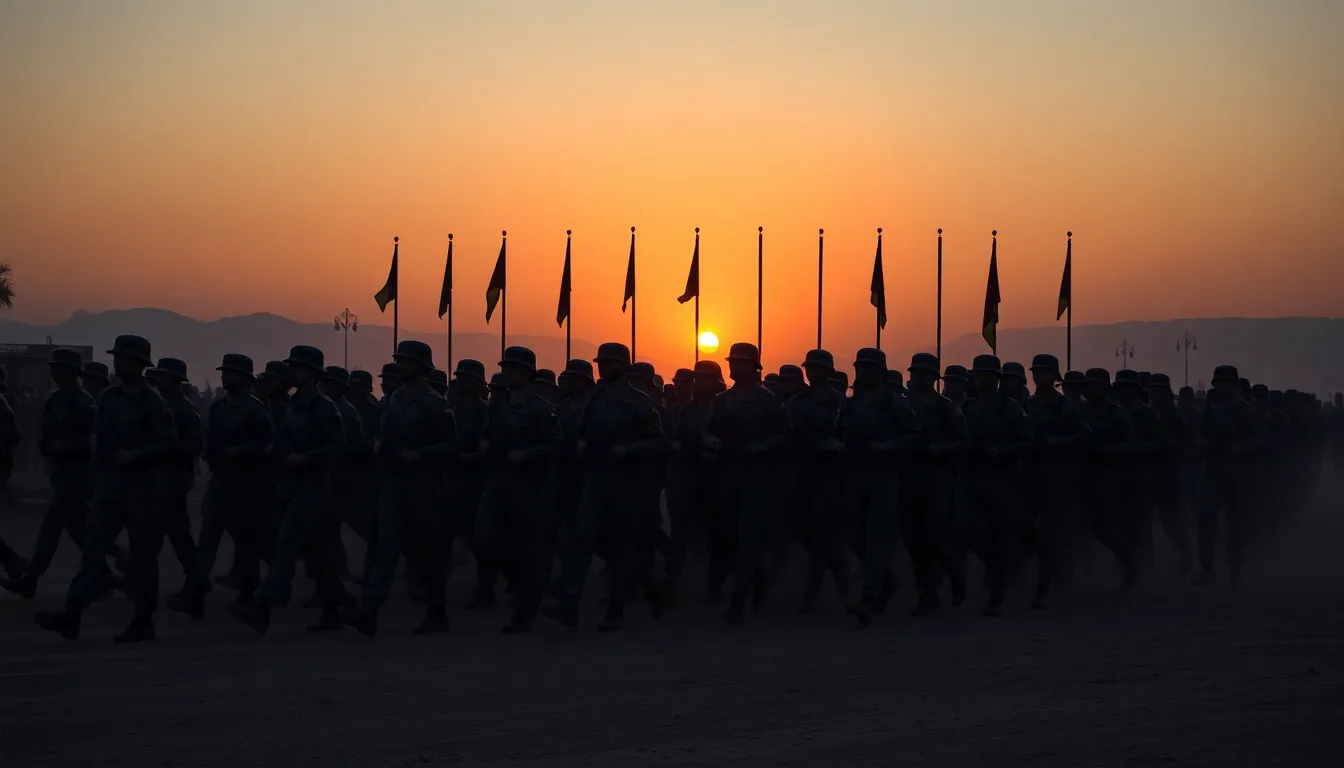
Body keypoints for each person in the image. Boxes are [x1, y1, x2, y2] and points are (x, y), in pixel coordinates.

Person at [36, 335, 177, 642]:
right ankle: (72, 613)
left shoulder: (152, 401)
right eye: (117, 356)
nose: (118, 361)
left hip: (142, 489)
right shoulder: (110, 398)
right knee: (93, 548)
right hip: (110, 486)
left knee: (142, 558)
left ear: (139, 364)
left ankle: (143, 619)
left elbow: (168, 443)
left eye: (125, 357)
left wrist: (136, 455)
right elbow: (96, 440)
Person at [545, 343, 667, 631]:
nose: (602, 367)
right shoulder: (594, 400)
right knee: (583, 537)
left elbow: (658, 441)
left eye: (608, 363)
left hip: (626, 483)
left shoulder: (640, 403)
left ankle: (618, 608)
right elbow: (582, 433)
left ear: (623, 367)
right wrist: (582, 444)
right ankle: (569, 604)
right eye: (600, 362)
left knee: (619, 546)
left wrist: (628, 450)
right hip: (595, 479)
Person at [229, 345, 347, 635]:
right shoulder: (293, 405)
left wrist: (308, 457)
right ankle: (337, 604)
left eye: (298, 367)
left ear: (313, 373)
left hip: (313, 487)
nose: (292, 371)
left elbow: (338, 446)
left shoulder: (323, 407)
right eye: (292, 366)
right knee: (317, 553)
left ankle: (262, 607)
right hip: (291, 485)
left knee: (287, 545)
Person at [346, 340, 459, 636]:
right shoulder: (394, 400)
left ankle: (437, 611)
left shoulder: (436, 403)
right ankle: (369, 611)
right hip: (394, 483)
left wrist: (420, 455)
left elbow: (451, 444)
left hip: (424, 486)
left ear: (421, 367)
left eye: (406, 361)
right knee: (386, 546)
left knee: (428, 553)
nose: (400, 366)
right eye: (399, 360)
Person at [169, 354, 273, 619]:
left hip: (246, 483)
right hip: (220, 482)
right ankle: (196, 593)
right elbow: (209, 440)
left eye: (230, 372)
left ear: (245, 379)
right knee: (208, 538)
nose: (225, 376)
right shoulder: (218, 407)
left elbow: (267, 444)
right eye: (224, 372)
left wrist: (239, 452)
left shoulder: (256, 410)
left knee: (246, 541)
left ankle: (249, 594)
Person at [705, 343, 791, 626]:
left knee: (747, 537)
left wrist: (760, 448)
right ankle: (759, 579)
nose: (731, 367)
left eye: (738, 363)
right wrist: (712, 442)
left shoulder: (769, 401)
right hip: (727, 476)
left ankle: (738, 600)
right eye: (731, 362)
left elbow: (785, 436)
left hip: (757, 477)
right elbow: (707, 431)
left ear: (752, 367)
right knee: (729, 538)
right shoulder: (721, 400)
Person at [477, 346, 561, 633]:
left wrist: (527, 455)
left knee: (525, 548)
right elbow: (489, 436)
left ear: (527, 373)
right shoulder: (497, 407)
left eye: (513, 368)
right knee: (484, 539)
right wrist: (485, 447)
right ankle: (527, 586)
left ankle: (525, 610)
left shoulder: (541, 408)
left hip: (528, 486)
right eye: (505, 368)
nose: (507, 373)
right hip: (498, 481)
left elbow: (555, 444)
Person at [844, 348, 921, 628]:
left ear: (880, 372)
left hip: (884, 477)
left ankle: (867, 598)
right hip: (855, 476)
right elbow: (839, 431)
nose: (862, 372)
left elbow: (914, 436)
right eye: (859, 366)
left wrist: (888, 446)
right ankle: (885, 581)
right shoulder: (850, 405)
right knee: (855, 537)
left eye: (868, 367)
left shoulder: (894, 404)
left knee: (878, 536)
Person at [960, 355, 1033, 616]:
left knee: (1001, 533)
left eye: (984, 374)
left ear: (995, 378)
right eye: (976, 374)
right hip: (973, 478)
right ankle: (995, 567)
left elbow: (1027, 442)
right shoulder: (967, 408)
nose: (979, 378)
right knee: (967, 530)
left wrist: (1002, 452)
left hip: (1002, 480)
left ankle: (998, 592)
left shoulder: (1010, 408)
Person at [902, 353, 971, 615]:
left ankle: (952, 574)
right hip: (908, 477)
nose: (917, 376)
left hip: (936, 480)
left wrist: (939, 450)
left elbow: (965, 441)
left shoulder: (945, 407)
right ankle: (928, 591)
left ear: (933, 376)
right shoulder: (902, 404)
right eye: (914, 372)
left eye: (922, 372)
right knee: (912, 540)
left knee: (932, 538)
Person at [1021, 354, 1089, 607]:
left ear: (1054, 376)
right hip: (1031, 474)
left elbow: (1083, 435)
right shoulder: (1027, 405)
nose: (1038, 375)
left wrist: (1058, 441)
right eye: (1036, 371)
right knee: (1021, 525)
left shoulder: (1065, 407)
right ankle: (1049, 563)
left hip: (1057, 476)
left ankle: (1047, 589)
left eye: (1044, 372)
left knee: (1054, 533)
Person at [788, 349, 849, 613]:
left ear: (827, 372)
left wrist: (837, 444)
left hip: (828, 474)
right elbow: (786, 431)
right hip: (802, 470)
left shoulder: (839, 403)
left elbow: (851, 433)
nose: (811, 372)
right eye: (809, 367)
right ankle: (836, 566)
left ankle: (812, 592)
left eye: (816, 368)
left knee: (821, 530)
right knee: (801, 529)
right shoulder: (796, 400)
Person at [1193, 365, 1261, 587]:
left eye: (1225, 383)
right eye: (1218, 383)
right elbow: (1201, 434)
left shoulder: (1247, 410)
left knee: (1235, 525)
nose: (1221, 387)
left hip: (1237, 473)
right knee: (1206, 523)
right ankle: (1206, 569)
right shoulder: (1211, 409)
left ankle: (1235, 568)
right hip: (1212, 471)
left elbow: (1257, 440)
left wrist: (1239, 449)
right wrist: (1203, 444)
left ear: (1235, 385)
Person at [151, 358, 202, 591]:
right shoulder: (158, 404)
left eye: (165, 376)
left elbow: (195, 446)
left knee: (177, 535)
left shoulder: (185, 409)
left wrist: (166, 447)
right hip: (158, 477)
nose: (160, 380)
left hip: (174, 479)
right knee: (169, 533)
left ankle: (197, 579)